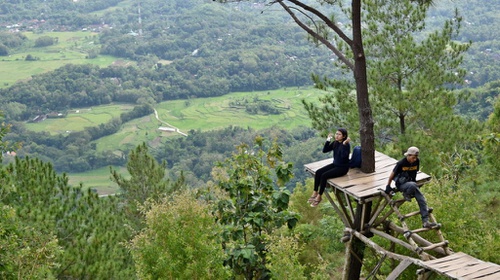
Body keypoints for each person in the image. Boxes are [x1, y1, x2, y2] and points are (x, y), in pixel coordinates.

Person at [384, 146, 438, 228]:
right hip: (401, 185)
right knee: (413, 185)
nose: (415, 159)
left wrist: (414, 185)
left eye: (416, 157)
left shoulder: (417, 162)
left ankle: (425, 222)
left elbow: (414, 173)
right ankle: (406, 194)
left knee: (422, 200)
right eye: (413, 157)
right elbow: (392, 175)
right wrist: (388, 186)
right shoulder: (401, 163)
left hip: (412, 183)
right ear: (408, 155)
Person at [309, 128, 351, 207]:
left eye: (339, 134)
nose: (337, 136)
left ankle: (319, 196)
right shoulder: (335, 143)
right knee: (318, 172)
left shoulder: (346, 145)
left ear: (344, 136)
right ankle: (315, 191)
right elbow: (325, 150)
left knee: (324, 176)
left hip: (343, 168)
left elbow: (343, 156)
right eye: (336, 134)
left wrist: (344, 144)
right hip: (335, 164)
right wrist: (328, 139)